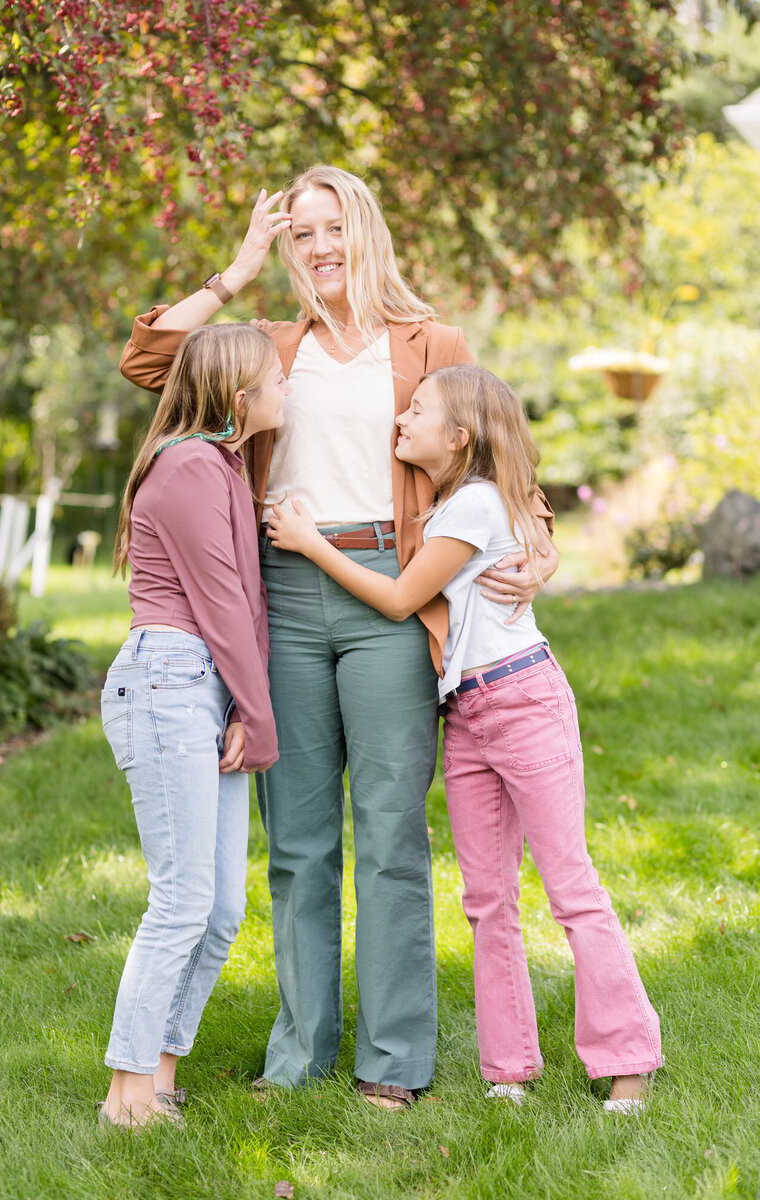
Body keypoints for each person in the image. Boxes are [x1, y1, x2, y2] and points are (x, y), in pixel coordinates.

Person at [118, 165, 559, 1110]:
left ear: (366, 232)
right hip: (281, 589)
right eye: (299, 235)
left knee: (392, 830)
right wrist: (233, 272)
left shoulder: (430, 340)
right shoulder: (272, 344)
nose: (318, 249)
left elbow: (499, 456)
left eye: (333, 229)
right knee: (298, 840)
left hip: (392, 591)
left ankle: (393, 1062)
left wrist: (543, 549)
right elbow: (151, 362)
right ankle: (301, 1052)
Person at [266, 363, 663, 1112]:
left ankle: (628, 1057)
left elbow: (398, 597)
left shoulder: (473, 505)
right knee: (487, 898)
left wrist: (311, 543)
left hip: (522, 699)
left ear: (460, 436)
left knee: (569, 885)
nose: (399, 421)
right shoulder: (462, 499)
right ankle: (508, 1068)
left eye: (416, 411)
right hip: (468, 714)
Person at [99, 323, 287, 1129]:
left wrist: (241, 700)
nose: (289, 390)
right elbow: (218, 604)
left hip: (200, 686)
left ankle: (163, 1074)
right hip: (170, 681)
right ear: (241, 399)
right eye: (277, 379)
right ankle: (125, 1096)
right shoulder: (189, 466)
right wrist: (259, 713)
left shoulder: (222, 465)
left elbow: (242, 603)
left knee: (218, 913)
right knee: (180, 901)